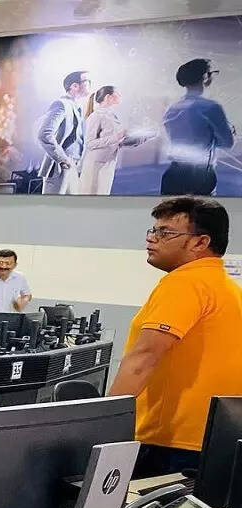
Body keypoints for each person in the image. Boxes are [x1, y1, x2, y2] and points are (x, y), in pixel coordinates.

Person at [109, 197, 242, 477]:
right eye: (153, 230)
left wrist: (103, 422)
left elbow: (143, 358)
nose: (152, 238)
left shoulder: (185, 282)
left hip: (167, 443)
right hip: (214, 441)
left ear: (200, 242)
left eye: (165, 232)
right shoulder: (228, 289)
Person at [162, 59, 235, 196]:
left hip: (173, 173)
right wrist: (228, 131)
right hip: (200, 175)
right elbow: (227, 143)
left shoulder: (172, 108)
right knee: (201, 210)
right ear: (206, 77)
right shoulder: (211, 107)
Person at [79, 86, 147, 195]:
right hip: (95, 165)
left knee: (103, 195)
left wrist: (127, 141)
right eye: (117, 94)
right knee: (91, 196)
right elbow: (90, 143)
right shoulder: (96, 116)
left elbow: (111, 139)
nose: (120, 96)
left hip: (108, 162)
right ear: (108, 97)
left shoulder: (112, 115)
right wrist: (117, 137)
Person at [36, 71, 91, 195]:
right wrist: (63, 159)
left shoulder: (79, 108)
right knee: (54, 206)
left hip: (74, 166)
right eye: (87, 81)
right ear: (74, 86)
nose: (89, 84)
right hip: (60, 167)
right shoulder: (61, 104)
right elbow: (44, 134)